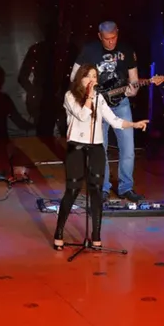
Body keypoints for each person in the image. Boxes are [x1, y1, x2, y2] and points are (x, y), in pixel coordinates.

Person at [53, 64, 149, 250]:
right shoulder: (70, 96)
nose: (92, 80)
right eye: (88, 76)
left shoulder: (99, 98)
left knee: (96, 191)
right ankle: (59, 232)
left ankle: (96, 235)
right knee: (73, 190)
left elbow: (114, 120)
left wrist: (133, 124)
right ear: (80, 78)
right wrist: (89, 97)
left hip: (96, 147)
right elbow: (82, 115)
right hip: (77, 147)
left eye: (95, 77)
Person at [71, 21, 144, 202]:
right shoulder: (90, 50)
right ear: (99, 36)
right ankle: (103, 188)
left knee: (128, 149)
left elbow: (134, 80)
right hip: (98, 105)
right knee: (100, 149)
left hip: (121, 104)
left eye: (114, 38)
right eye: (106, 39)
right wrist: (88, 93)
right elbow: (74, 77)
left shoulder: (126, 50)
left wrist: (132, 91)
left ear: (118, 33)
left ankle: (126, 188)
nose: (111, 42)